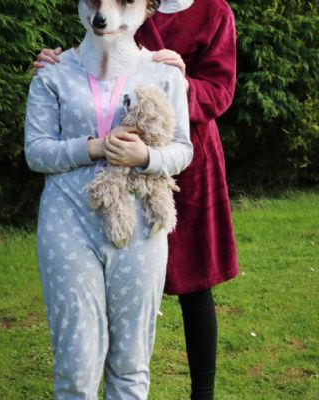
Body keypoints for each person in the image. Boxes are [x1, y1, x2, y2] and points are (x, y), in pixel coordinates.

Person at [34, 0, 239, 399]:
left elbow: (219, 90)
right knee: (111, 278)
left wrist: (178, 82)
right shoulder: (130, 3)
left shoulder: (214, 12)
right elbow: (101, 50)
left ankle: (203, 392)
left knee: (195, 282)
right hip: (116, 146)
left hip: (186, 157)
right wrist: (57, 62)